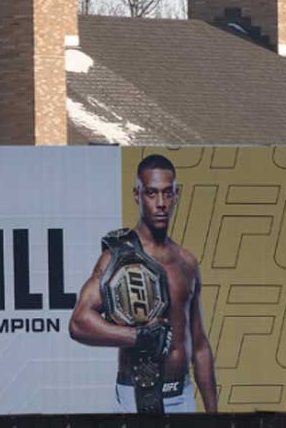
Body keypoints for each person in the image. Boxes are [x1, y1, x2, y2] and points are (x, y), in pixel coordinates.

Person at [69, 154, 218, 414]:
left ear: (176, 195)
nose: (161, 203)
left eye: (167, 194)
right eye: (151, 193)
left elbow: (200, 345)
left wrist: (214, 417)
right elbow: (79, 323)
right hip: (137, 395)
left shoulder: (187, 263)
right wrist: (137, 337)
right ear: (137, 195)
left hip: (183, 395)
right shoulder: (118, 257)